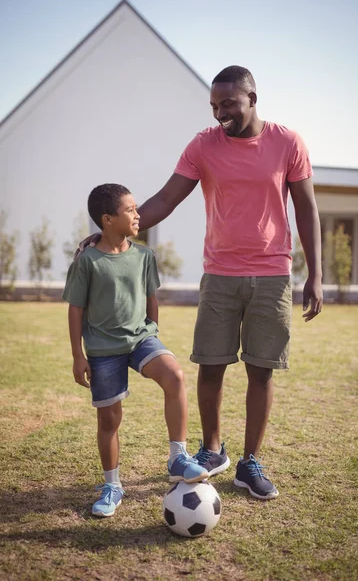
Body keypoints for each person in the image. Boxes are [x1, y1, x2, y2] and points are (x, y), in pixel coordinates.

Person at [77, 65, 323, 501]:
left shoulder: (288, 143)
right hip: (220, 273)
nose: (219, 113)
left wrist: (316, 275)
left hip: (272, 274)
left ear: (252, 98)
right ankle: (212, 450)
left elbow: (306, 208)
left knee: (261, 371)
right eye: (213, 105)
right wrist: (110, 232)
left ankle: (249, 463)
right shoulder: (203, 145)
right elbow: (166, 199)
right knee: (210, 366)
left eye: (227, 103)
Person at [63, 183, 208, 518]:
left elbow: (151, 298)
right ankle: (112, 485)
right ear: (108, 219)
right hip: (103, 348)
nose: (138, 214)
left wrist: (153, 330)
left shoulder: (144, 255)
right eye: (130, 210)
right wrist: (77, 355)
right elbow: (75, 309)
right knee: (109, 418)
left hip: (140, 338)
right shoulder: (88, 261)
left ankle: (178, 457)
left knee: (174, 375)